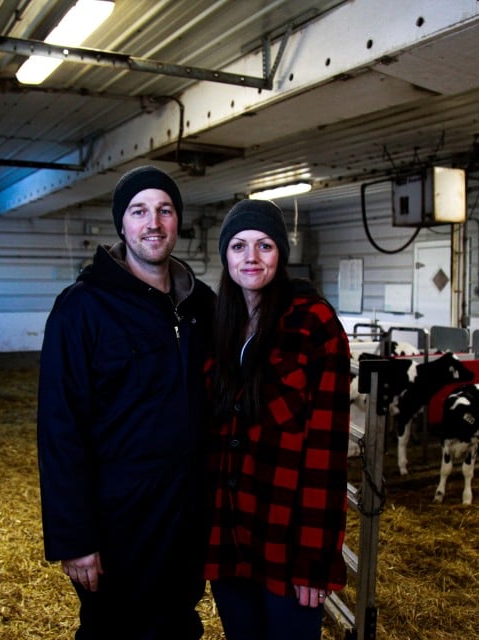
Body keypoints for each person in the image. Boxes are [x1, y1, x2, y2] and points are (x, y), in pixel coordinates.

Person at [37, 165, 215, 639]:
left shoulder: (203, 307)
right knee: (113, 630)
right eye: (139, 211)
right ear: (122, 224)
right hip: (118, 523)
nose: (152, 222)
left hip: (185, 517)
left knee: (180, 625)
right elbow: (60, 428)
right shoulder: (83, 307)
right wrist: (74, 538)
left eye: (164, 210)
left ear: (178, 222)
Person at [204, 199, 351, 640]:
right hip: (228, 535)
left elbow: (327, 451)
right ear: (225, 256)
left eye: (264, 245)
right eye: (238, 246)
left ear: (281, 255)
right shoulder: (219, 323)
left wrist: (316, 558)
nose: (251, 258)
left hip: (286, 539)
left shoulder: (314, 324)